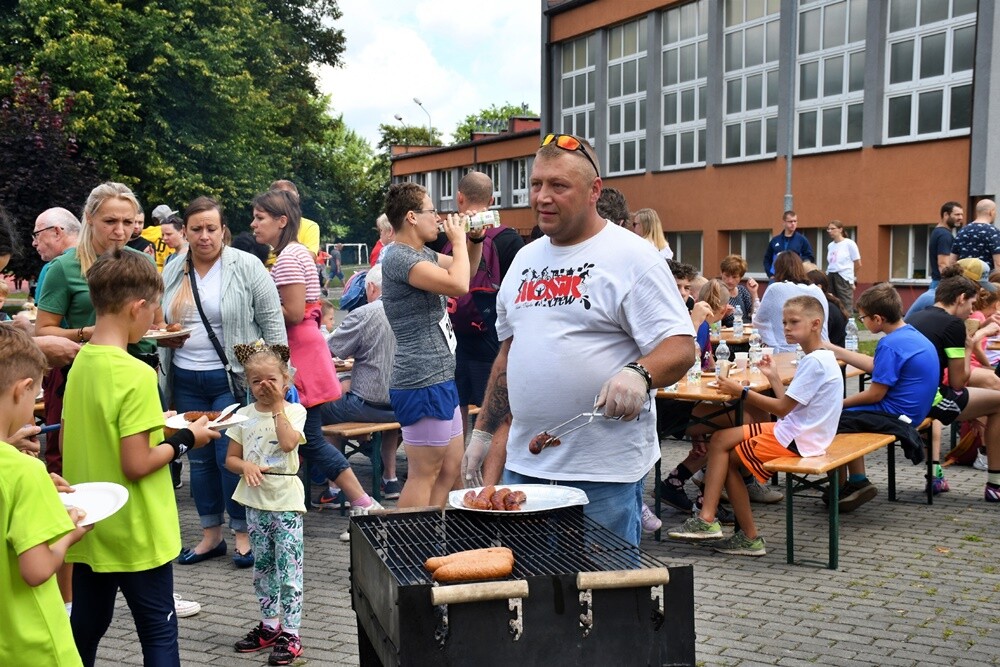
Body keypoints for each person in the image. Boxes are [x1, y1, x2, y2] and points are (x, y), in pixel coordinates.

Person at [466, 133, 693, 546]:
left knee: (609, 600)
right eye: (536, 184)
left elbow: (680, 346)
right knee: (535, 594)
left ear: (594, 191)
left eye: (558, 186)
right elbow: (508, 355)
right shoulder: (524, 259)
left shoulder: (632, 256)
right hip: (526, 469)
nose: (542, 197)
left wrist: (639, 374)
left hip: (601, 474)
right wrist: (483, 433)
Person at [62, 249, 219, 666]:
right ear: (137, 308)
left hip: (93, 525)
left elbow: (93, 434)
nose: (154, 321)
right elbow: (135, 464)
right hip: (137, 530)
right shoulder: (136, 373)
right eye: (153, 311)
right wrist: (188, 437)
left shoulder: (80, 364)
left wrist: (157, 424)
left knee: (86, 629)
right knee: (158, 631)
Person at [160, 196, 286, 568]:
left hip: (229, 378)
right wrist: (166, 336)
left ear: (223, 230)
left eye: (211, 229)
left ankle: (242, 534)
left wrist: (277, 379)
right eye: (195, 229)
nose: (203, 237)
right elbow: (162, 319)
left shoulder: (246, 266)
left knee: (227, 457)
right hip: (184, 376)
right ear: (185, 231)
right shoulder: (172, 268)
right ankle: (210, 536)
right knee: (197, 460)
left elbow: (273, 325)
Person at [251, 188, 382, 533]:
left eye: (260, 217)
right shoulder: (291, 253)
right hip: (303, 350)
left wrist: (255, 304)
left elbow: (292, 312)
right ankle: (356, 502)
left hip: (301, 354)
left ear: (282, 221)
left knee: (312, 439)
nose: (254, 224)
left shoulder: (291, 257)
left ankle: (364, 503)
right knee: (310, 438)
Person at [668, 296, 842, 556]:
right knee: (720, 440)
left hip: (797, 441)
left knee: (728, 462)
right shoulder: (821, 358)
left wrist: (741, 392)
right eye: (784, 322)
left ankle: (745, 536)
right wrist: (773, 377)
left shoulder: (814, 362)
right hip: (798, 432)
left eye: (794, 322)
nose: (786, 328)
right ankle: (707, 519)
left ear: (816, 324)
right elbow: (788, 404)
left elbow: (782, 409)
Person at [381, 182, 483, 508]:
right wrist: (457, 241)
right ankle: (403, 550)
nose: (438, 218)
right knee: (424, 473)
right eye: (431, 211)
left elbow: (466, 270)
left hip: (440, 376)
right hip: (420, 379)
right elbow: (459, 285)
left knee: (449, 467)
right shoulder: (398, 257)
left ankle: (429, 536)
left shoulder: (420, 253)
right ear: (411, 217)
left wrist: (473, 241)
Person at [0, 326, 91, 666]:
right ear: (22, 390)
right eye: (36, 395)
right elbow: (36, 570)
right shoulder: (26, 471)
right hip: (33, 645)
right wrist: (71, 532)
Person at [822, 284, 939, 510]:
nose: (861, 321)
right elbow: (876, 367)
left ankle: (850, 484)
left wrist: (838, 403)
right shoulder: (911, 334)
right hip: (916, 411)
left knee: (831, 419)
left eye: (863, 317)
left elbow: (875, 394)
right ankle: (853, 482)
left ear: (877, 318)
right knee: (843, 415)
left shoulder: (889, 344)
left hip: (897, 416)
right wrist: (832, 348)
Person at [226, 342, 307, 666]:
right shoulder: (242, 416)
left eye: (272, 379)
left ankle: (291, 631)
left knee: (289, 570)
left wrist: (277, 408)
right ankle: (270, 624)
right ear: (249, 384)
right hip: (255, 502)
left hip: (285, 501)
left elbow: (288, 443)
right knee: (263, 568)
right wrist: (244, 466)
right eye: (257, 380)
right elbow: (231, 458)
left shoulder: (294, 412)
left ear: (285, 380)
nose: (265, 386)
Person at [444, 172, 524, 449]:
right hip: (491, 338)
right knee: (497, 409)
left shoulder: (446, 234)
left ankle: (455, 472)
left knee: (455, 408)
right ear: (492, 200)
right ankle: (492, 470)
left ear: (460, 198)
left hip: (450, 337)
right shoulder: (509, 239)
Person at [907, 272, 1000, 503]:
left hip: (906, 397)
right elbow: (959, 382)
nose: (971, 310)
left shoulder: (914, 318)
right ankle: (995, 484)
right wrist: (969, 347)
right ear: (960, 298)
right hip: (929, 400)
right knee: (998, 403)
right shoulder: (953, 326)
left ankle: (935, 475)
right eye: (970, 303)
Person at [321, 264, 402, 500]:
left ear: (371, 287)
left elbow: (331, 349)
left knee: (323, 408)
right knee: (388, 417)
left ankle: (335, 488)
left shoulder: (365, 313)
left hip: (367, 405)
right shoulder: (410, 311)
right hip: (402, 406)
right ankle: (391, 479)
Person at [753, 252, 828, 352]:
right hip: (821, 348)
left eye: (794, 322)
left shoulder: (775, 289)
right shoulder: (817, 290)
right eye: (784, 322)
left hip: (786, 351)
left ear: (777, 270)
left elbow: (758, 321)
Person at [906, 257, 993, 319]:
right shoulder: (935, 300)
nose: (978, 293)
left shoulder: (944, 297)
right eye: (978, 288)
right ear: (965, 282)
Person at [269, 180, 319, 260]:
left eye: (291, 197)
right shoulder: (264, 224)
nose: (289, 201)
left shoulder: (309, 226)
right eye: (283, 197)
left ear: (298, 198)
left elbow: (309, 258)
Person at [950, 199, 1000, 271]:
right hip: (985, 280)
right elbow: (998, 262)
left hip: (964, 280)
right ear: (991, 212)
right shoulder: (993, 232)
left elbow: (952, 261)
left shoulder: (962, 231)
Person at [763, 210, 815, 278]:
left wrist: (794, 260)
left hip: (796, 277)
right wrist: (770, 274)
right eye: (790, 221)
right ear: (784, 223)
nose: (793, 223)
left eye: (795, 221)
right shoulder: (775, 240)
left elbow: (810, 258)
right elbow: (767, 259)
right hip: (777, 277)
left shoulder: (802, 240)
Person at [805, 270, 849, 348]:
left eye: (806, 286)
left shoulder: (826, 308)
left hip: (835, 354)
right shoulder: (829, 304)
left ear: (818, 287)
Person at [825, 221, 861, 312]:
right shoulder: (830, 245)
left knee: (845, 304)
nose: (830, 231)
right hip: (831, 275)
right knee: (831, 302)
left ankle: (848, 324)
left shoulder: (849, 243)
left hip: (843, 276)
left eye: (832, 229)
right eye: (828, 229)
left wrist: (851, 279)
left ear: (840, 229)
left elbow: (858, 263)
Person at [929, 202, 964, 287]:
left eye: (961, 215)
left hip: (937, 282)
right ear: (946, 215)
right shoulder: (944, 235)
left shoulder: (938, 231)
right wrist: (951, 285)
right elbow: (943, 264)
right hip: (942, 284)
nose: (960, 218)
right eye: (957, 214)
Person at [719, 254, 759, 328]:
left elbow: (755, 315)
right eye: (727, 275)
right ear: (721, 273)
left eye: (734, 277)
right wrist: (723, 315)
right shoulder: (715, 291)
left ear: (741, 277)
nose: (730, 281)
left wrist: (754, 293)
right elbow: (709, 321)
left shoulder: (742, 290)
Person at [145, 204, 178, 271]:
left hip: (150, 270)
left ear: (155, 220)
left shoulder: (148, 232)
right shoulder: (177, 232)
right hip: (170, 270)